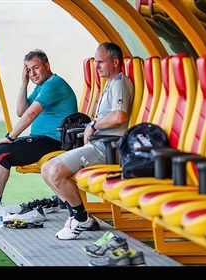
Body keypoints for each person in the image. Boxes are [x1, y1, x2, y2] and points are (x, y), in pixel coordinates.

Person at [0, 49, 78, 220]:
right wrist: (23, 83)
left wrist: (11, 137)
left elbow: (30, 114)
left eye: (36, 68)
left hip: (54, 141)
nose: (32, 73)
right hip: (44, 139)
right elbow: (20, 110)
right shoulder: (42, 86)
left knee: (2, 152)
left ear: (47, 65)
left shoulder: (53, 84)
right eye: (28, 69)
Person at [41, 42, 134, 240]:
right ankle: (79, 216)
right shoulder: (110, 83)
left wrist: (94, 125)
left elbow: (119, 116)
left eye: (101, 62)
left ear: (115, 62)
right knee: (46, 169)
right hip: (98, 145)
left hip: (108, 148)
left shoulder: (119, 83)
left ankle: (80, 218)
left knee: (55, 172)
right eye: (95, 62)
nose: (96, 66)